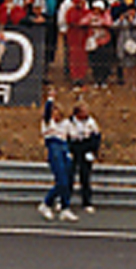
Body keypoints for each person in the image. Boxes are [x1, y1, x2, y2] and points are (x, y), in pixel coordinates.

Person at [38, 89, 78, 222]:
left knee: (67, 181)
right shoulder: (48, 123)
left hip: (64, 148)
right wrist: (50, 98)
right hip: (54, 147)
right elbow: (47, 112)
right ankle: (46, 203)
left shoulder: (66, 124)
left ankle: (65, 207)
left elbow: (74, 136)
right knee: (61, 180)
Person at [68, 101, 102, 214]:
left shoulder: (91, 122)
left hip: (85, 150)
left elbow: (96, 137)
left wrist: (93, 151)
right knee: (68, 177)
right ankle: (64, 201)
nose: (86, 114)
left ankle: (87, 202)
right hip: (73, 150)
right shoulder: (69, 122)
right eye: (84, 111)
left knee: (85, 177)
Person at [80, 0, 113, 87]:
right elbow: (82, 21)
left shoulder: (106, 15)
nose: (96, 11)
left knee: (104, 62)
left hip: (104, 41)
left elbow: (109, 23)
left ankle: (103, 80)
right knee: (94, 62)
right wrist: (90, 21)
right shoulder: (90, 15)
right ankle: (96, 79)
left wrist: (101, 22)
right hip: (94, 42)